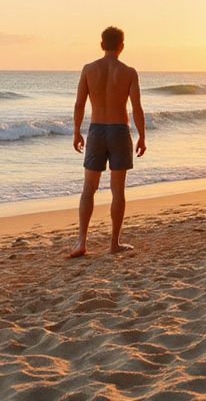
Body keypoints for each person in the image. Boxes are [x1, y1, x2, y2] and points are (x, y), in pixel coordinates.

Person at [68, 26, 146, 257]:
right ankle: (114, 243)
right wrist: (142, 135)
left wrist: (76, 132)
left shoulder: (89, 69)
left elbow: (79, 105)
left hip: (96, 132)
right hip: (119, 132)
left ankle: (81, 241)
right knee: (117, 191)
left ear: (102, 45)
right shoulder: (129, 72)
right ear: (122, 46)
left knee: (88, 190)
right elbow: (137, 108)